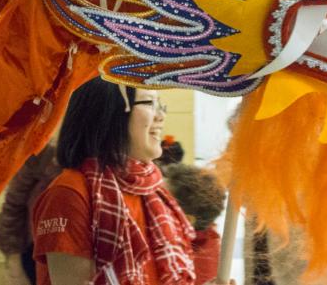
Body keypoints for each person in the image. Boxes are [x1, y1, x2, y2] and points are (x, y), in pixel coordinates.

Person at [31, 77, 223, 285]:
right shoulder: (69, 194)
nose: (161, 115)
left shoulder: (155, 191)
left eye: (160, 104)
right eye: (149, 103)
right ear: (109, 114)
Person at [0, 142, 62, 285]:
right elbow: (13, 207)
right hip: (34, 253)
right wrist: (14, 261)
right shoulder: (44, 155)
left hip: (75, 253)